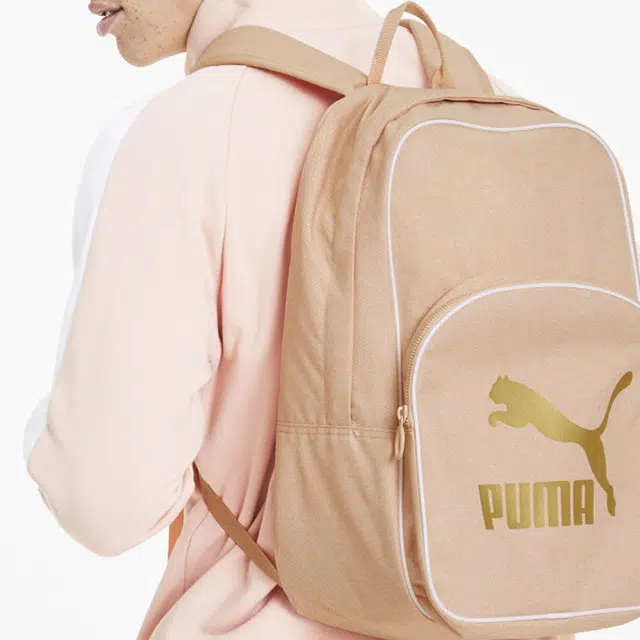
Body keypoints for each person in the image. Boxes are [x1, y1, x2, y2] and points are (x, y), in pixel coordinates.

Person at [22, 0, 572, 638]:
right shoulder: (497, 102)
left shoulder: (180, 131)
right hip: (506, 620)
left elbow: (105, 502)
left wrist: (49, 426)